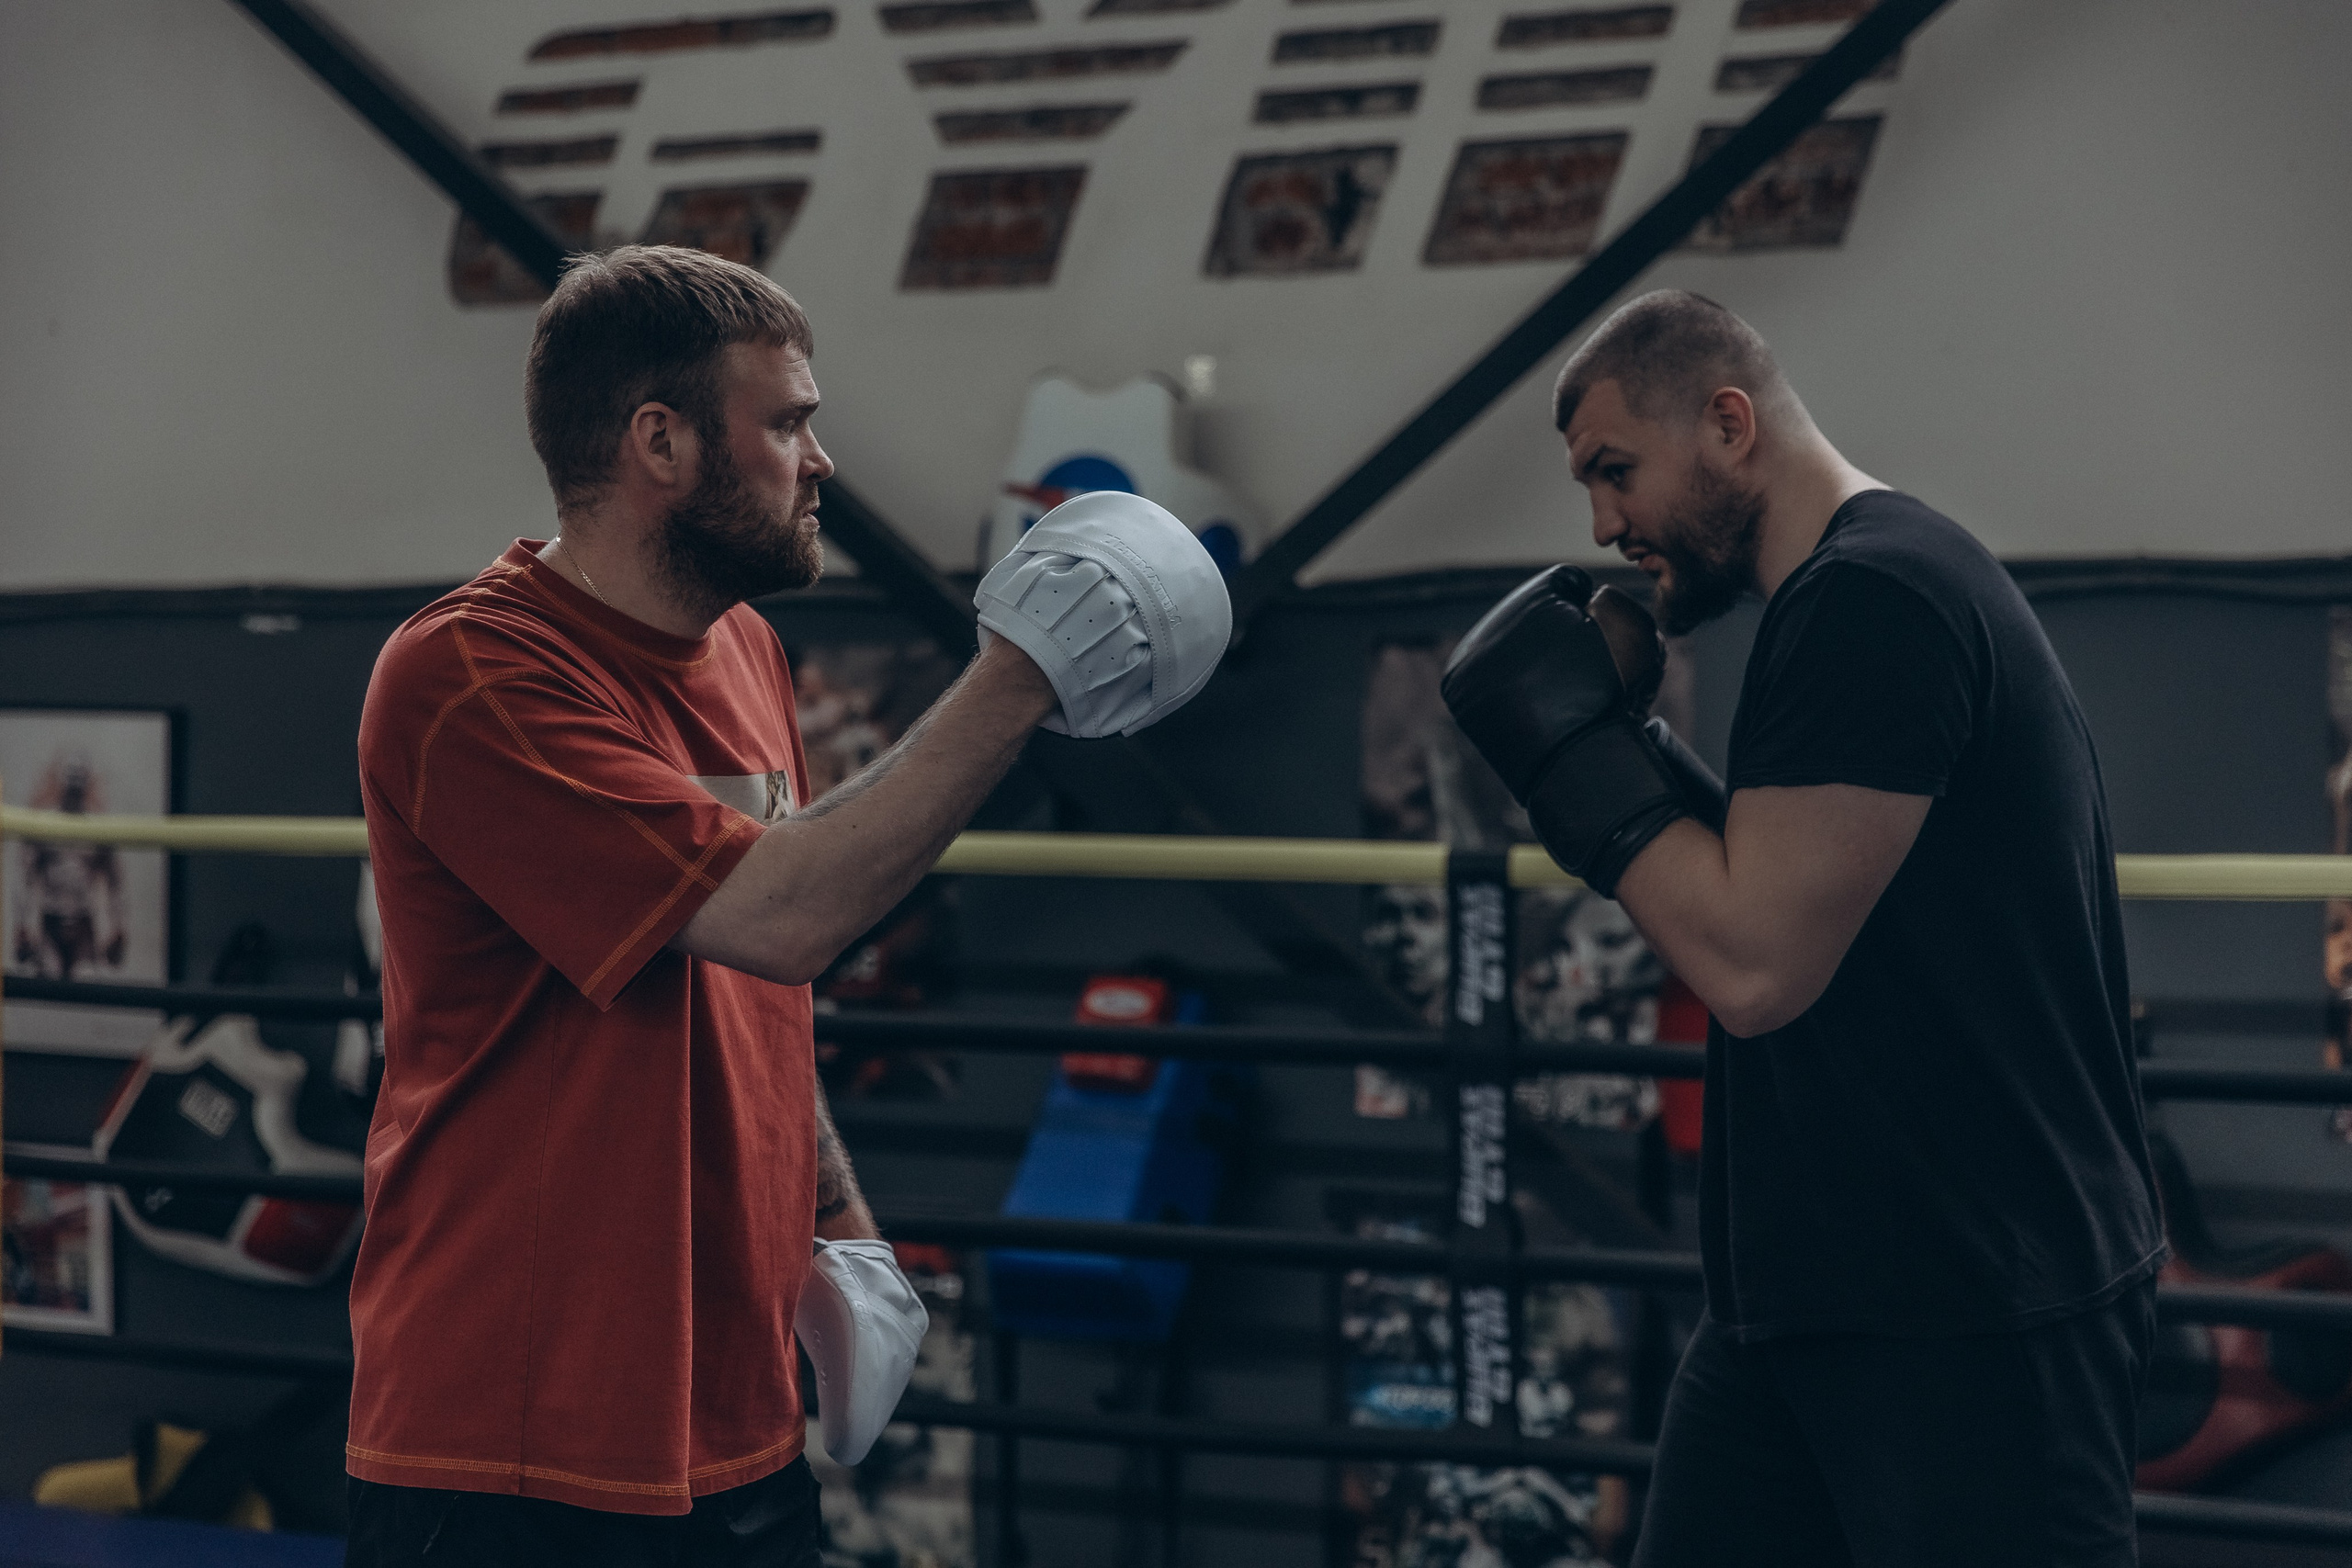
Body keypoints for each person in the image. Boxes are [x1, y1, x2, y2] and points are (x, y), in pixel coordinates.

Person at [346, 244, 1227, 1566]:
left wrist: (839, 1219)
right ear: (661, 442)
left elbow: (752, 975)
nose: (821, 462)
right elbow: (780, 914)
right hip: (515, 1433)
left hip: (731, 1408)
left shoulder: (748, 649)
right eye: (788, 424)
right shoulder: (474, 674)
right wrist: (1018, 678)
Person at [1442, 290, 2165, 1567]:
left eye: (1617, 471)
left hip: (1970, 1309)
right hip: (1817, 1300)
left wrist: (1570, 757)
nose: (1604, 525)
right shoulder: (1855, 594)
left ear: (1728, 424)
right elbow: (1772, 882)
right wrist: (1627, 750)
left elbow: (1754, 962)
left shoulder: (1875, 598)